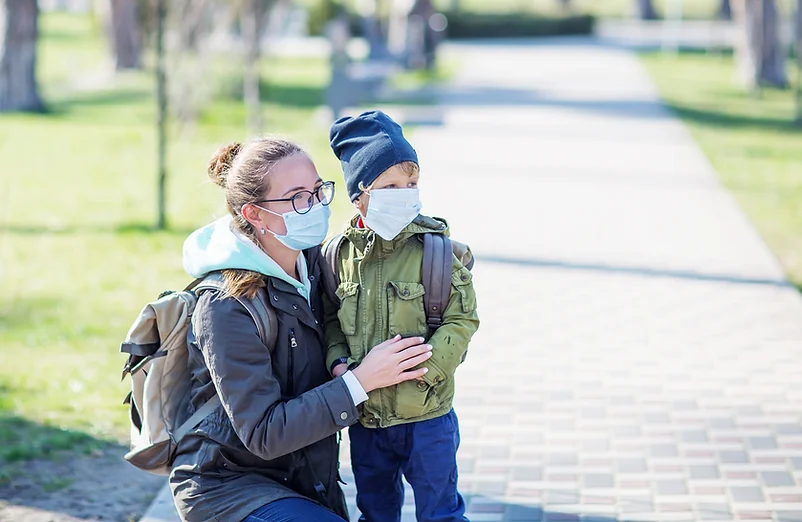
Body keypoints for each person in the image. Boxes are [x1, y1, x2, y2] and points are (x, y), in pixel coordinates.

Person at [170, 137, 435, 522]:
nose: (315, 207)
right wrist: (360, 381)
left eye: (317, 191)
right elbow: (264, 433)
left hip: (305, 480)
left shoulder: (315, 263)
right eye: (297, 198)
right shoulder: (226, 305)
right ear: (255, 214)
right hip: (229, 487)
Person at [324, 111, 480, 522]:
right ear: (359, 196)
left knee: (441, 514)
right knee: (376, 512)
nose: (405, 193)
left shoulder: (436, 251)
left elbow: (462, 320)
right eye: (390, 185)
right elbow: (329, 320)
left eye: (411, 184)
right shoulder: (339, 258)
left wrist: (428, 370)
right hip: (368, 420)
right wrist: (338, 363)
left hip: (427, 417)